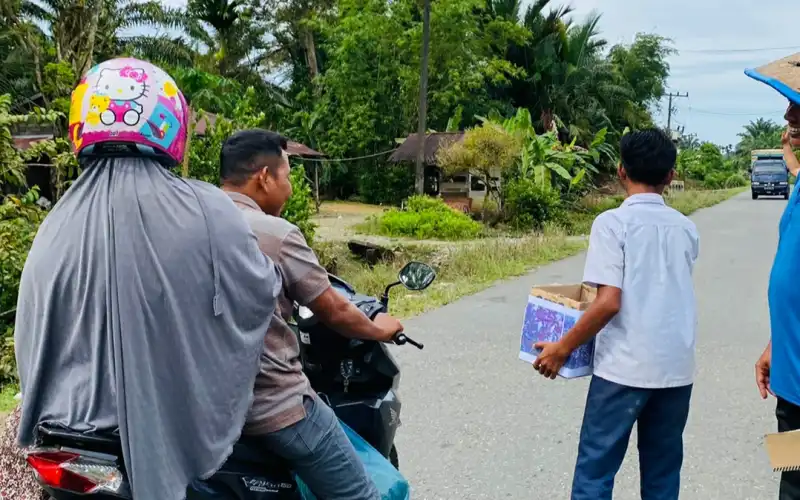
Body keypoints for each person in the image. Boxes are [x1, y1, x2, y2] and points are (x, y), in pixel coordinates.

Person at [14, 58, 281, 500]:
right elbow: (256, 292)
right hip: (157, 429)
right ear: (169, 122)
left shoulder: (53, 227)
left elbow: (31, 334)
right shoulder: (207, 209)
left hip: (63, 434)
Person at [220, 129, 403, 499]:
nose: (289, 188)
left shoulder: (189, 221)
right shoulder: (276, 234)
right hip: (272, 405)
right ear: (265, 177)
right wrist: (379, 329)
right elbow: (333, 309)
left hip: (202, 405)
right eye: (287, 176)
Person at [533, 129, 700, 500]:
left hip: (624, 369)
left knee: (595, 471)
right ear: (671, 176)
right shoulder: (686, 228)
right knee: (662, 473)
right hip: (676, 369)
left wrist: (562, 348)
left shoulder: (612, 224)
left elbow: (608, 302)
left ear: (621, 171)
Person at [748, 53, 800, 499]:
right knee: (791, 473)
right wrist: (774, 344)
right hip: (790, 378)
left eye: (796, 104)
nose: (788, 114)